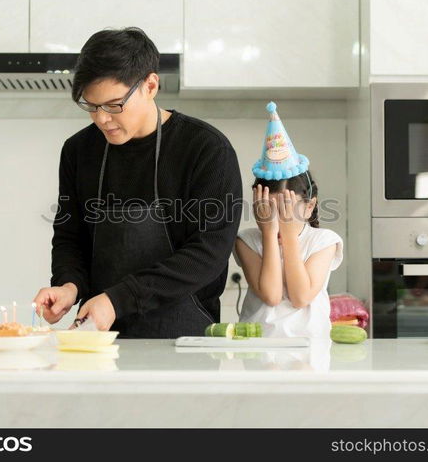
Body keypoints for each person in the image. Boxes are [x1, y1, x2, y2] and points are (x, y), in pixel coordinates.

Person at [33, 27, 242, 337]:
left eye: (114, 105)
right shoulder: (79, 151)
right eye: (91, 106)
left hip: (182, 338)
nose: (102, 119)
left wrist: (117, 300)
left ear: (151, 85)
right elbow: (70, 236)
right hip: (98, 338)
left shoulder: (205, 149)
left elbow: (207, 254)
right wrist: (69, 285)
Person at [233, 102, 343, 339]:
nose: (278, 218)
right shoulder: (247, 241)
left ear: (310, 206)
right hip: (258, 347)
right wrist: (269, 235)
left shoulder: (324, 241)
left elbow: (300, 297)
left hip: (310, 347)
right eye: (269, 208)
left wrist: (290, 238)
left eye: (286, 209)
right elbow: (271, 295)